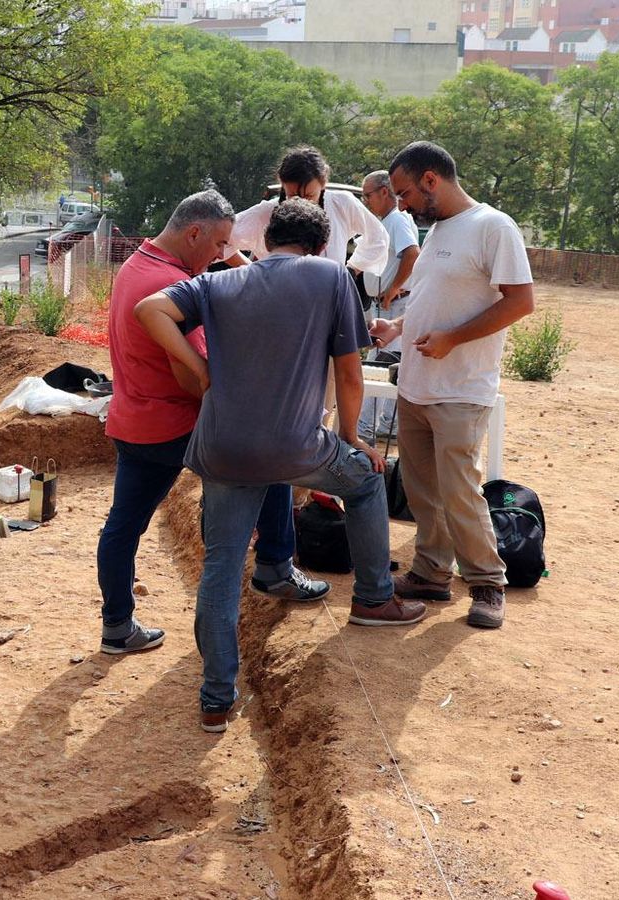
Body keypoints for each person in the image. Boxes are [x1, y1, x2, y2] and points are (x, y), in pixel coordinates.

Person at [135, 200, 427, 733]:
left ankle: (216, 698)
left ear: (268, 241)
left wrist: (200, 368)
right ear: (321, 246)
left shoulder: (218, 283)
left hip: (223, 449)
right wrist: (351, 438)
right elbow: (350, 373)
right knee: (365, 482)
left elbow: (149, 310)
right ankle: (373, 599)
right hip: (297, 447)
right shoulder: (330, 278)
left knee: (221, 567)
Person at [96, 190, 329, 657]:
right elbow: (194, 372)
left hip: (133, 418)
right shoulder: (169, 286)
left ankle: (116, 625)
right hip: (174, 423)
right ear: (194, 233)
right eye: (220, 243)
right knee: (270, 456)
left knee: (123, 526)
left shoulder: (136, 265)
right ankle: (275, 566)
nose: (222, 255)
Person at [369, 141, 535, 630]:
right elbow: (432, 299)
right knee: (423, 490)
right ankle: (430, 573)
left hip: (461, 388)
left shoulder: (493, 227)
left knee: (460, 491)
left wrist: (452, 340)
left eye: (403, 193)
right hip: (417, 385)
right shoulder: (440, 228)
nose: (401, 205)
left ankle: (487, 583)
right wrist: (397, 328)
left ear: (430, 180)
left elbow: (521, 302)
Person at [223, 146, 389, 285]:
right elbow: (222, 238)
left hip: (327, 299)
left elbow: (378, 237)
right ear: (282, 185)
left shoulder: (342, 204)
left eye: (309, 196)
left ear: (323, 184)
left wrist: (351, 271)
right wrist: (254, 271)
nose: (302, 203)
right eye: (293, 196)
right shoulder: (265, 213)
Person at [356, 169, 421, 443]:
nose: (366, 201)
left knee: (381, 366)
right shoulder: (389, 221)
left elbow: (412, 253)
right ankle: (386, 424)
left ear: (384, 192)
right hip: (387, 304)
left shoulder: (396, 220)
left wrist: (394, 287)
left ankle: (365, 428)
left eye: (367, 195)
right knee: (391, 364)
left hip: (394, 305)